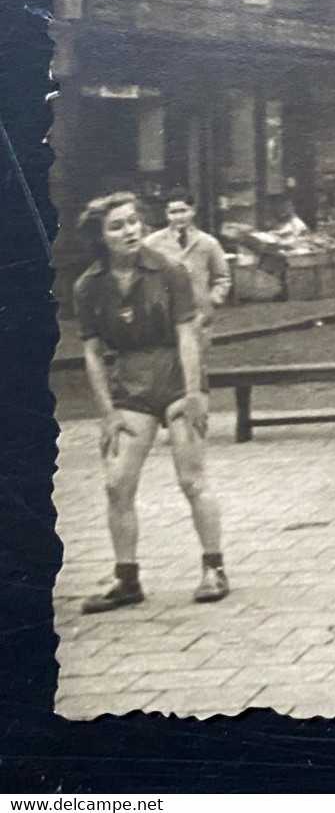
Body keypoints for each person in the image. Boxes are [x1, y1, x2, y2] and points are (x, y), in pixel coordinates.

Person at [71, 192, 228, 613]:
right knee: (116, 483)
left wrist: (194, 394)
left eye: (133, 222)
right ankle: (127, 579)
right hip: (131, 390)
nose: (129, 231)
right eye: (117, 226)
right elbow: (91, 352)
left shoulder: (170, 272)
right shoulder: (89, 286)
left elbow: (186, 335)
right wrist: (106, 412)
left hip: (178, 381)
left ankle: (214, 568)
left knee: (191, 479)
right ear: (101, 237)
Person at [143, 187, 233, 384]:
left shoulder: (208, 243)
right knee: (165, 369)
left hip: (198, 316)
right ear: (166, 215)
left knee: (195, 369)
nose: (179, 217)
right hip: (164, 317)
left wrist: (212, 301)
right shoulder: (151, 244)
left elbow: (222, 278)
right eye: (173, 212)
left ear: (193, 211)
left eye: (183, 210)